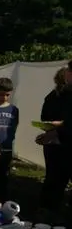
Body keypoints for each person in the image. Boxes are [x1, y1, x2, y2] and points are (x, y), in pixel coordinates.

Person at [38, 66, 70, 215]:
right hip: (61, 141)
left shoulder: (51, 96)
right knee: (55, 178)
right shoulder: (56, 96)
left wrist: (53, 128)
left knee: (52, 178)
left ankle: (48, 210)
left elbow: (44, 118)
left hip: (53, 142)